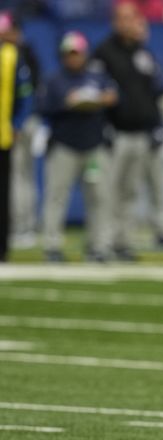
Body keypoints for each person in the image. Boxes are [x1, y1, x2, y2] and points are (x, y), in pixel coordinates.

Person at [92, 1, 163, 260]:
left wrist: (155, 125)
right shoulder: (104, 52)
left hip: (140, 132)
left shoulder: (142, 53)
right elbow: (97, 91)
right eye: (123, 18)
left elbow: (156, 90)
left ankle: (121, 242)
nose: (128, 24)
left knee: (129, 192)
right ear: (116, 22)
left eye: (132, 18)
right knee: (108, 192)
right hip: (115, 132)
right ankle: (101, 244)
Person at [38, 31, 117, 263]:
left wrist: (102, 99)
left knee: (99, 198)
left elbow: (114, 97)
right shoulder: (54, 80)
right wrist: (67, 103)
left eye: (77, 53)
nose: (73, 58)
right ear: (63, 56)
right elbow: (44, 108)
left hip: (94, 145)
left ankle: (99, 246)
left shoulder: (97, 77)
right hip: (64, 146)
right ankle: (52, 246)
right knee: (56, 197)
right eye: (69, 54)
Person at [0, 12, 32, 262]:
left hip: (3, 135)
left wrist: (17, 124)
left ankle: (2, 247)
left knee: (4, 194)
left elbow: (25, 94)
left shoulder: (12, 56)